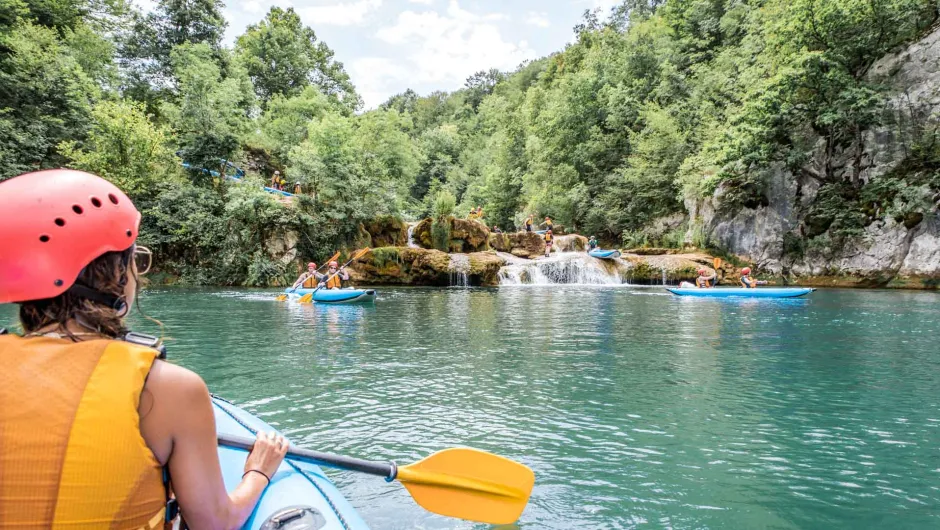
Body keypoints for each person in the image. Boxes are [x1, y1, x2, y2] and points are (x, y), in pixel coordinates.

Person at [0, 169, 288, 529]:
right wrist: (258, 472)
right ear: (116, 273)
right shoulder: (169, 389)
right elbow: (215, 523)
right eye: (134, 259)